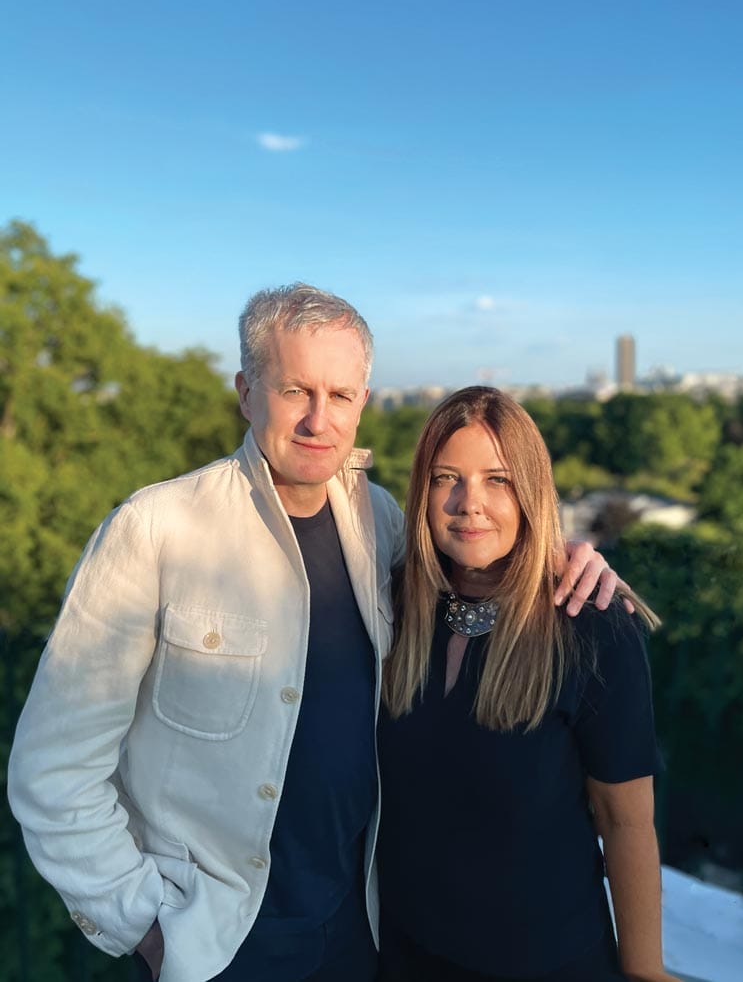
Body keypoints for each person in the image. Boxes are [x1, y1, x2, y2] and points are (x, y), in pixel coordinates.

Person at [9, 286, 624, 982]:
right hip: (218, 943)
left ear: (364, 401)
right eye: (295, 389)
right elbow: (51, 772)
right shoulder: (154, 532)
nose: (317, 419)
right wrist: (143, 925)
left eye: (339, 394)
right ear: (246, 392)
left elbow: (479, 555)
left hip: (360, 931)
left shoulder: (380, 521)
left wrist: (567, 556)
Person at [378, 386, 678, 982]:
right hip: (405, 956)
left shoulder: (592, 629)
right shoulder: (388, 607)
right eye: (446, 478)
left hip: (548, 963)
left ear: (531, 493)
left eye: (498, 479)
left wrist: (644, 971)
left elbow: (626, 822)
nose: (470, 504)